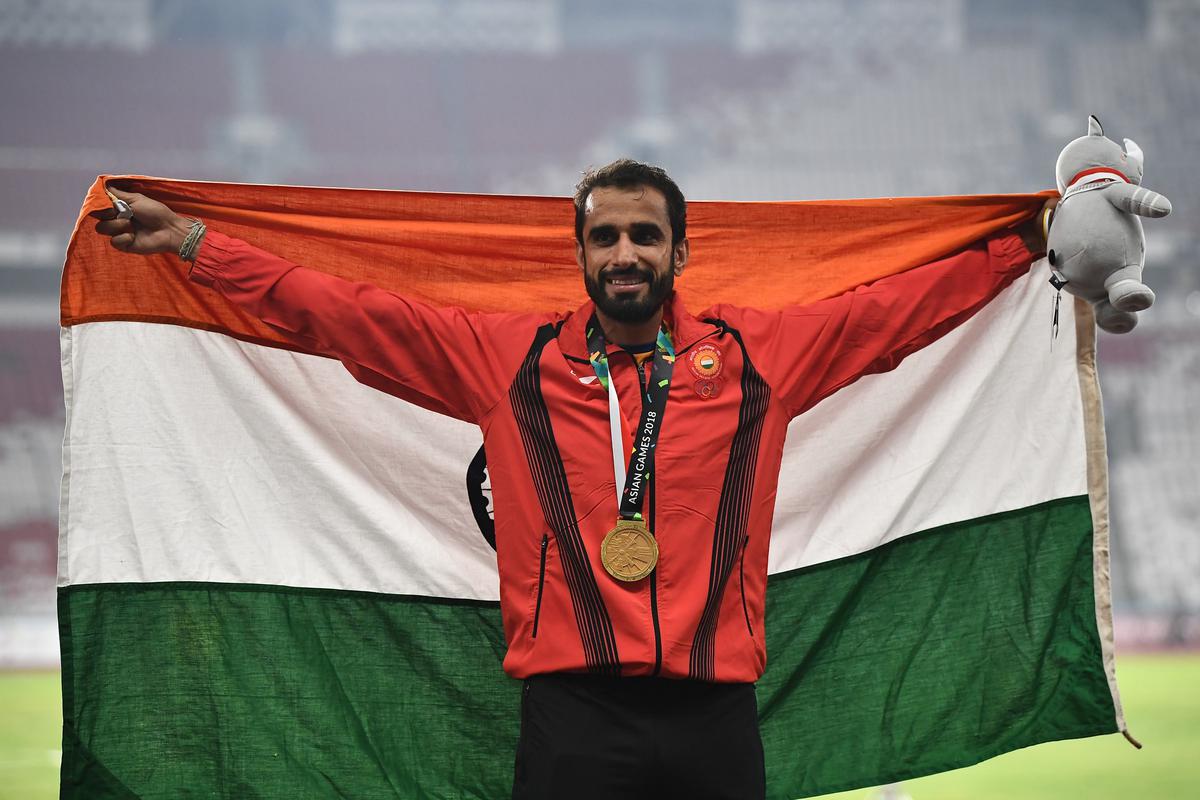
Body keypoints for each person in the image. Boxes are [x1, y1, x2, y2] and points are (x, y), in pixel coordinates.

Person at [94, 160, 1048, 800]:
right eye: (605, 239)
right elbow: (338, 312)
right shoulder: (506, 361)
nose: (624, 254)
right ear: (580, 253)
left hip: (715, 719)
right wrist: (193, 246)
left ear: (681, 252)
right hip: (572, 722)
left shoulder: (758, 358)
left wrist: (1033, 240)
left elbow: (902, 310)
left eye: (644, 236)